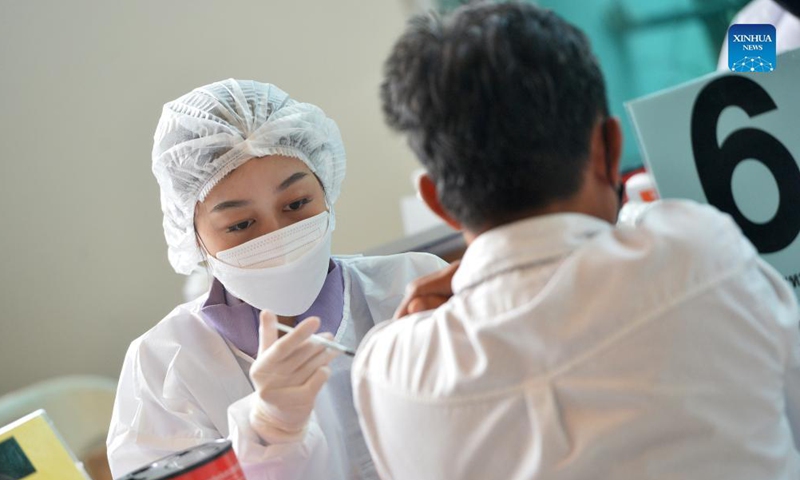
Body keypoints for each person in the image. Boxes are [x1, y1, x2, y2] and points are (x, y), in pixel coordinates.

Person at [351, 3, 800, 479]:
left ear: (438, 200)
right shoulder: (760, 27)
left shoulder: (391, 374)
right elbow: (739, 100)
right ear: (608, 149)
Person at [106, 79, 447, 478]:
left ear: (325, 191)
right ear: (193, 237)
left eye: (297, 203)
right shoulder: (164, 364)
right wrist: (268, 432)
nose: (277, 237)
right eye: (240, 224)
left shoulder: (414, 287)